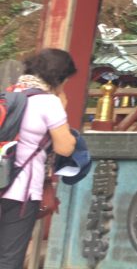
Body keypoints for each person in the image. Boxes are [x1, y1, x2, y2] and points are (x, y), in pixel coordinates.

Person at [0, 48, 77, 269]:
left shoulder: (10, 93)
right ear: (60, 77)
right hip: (21, 192)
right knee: (9, 257)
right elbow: (65, 148)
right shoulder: (49, 102)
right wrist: (62, 107)